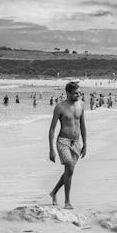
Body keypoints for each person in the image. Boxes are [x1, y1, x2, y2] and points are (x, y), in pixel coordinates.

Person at [48, 81, 87, 209]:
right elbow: (52, 128)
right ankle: (67, 201)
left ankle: (53, 192)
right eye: (76, 93)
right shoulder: (60, 107)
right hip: (63, 141)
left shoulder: (81, 105)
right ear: (68, 93)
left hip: (76, 142)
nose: (78, 95)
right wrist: (51, 149)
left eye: (79, 93)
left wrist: (85, 144)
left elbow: (82, 125)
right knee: (69, 167)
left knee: (69, 171)